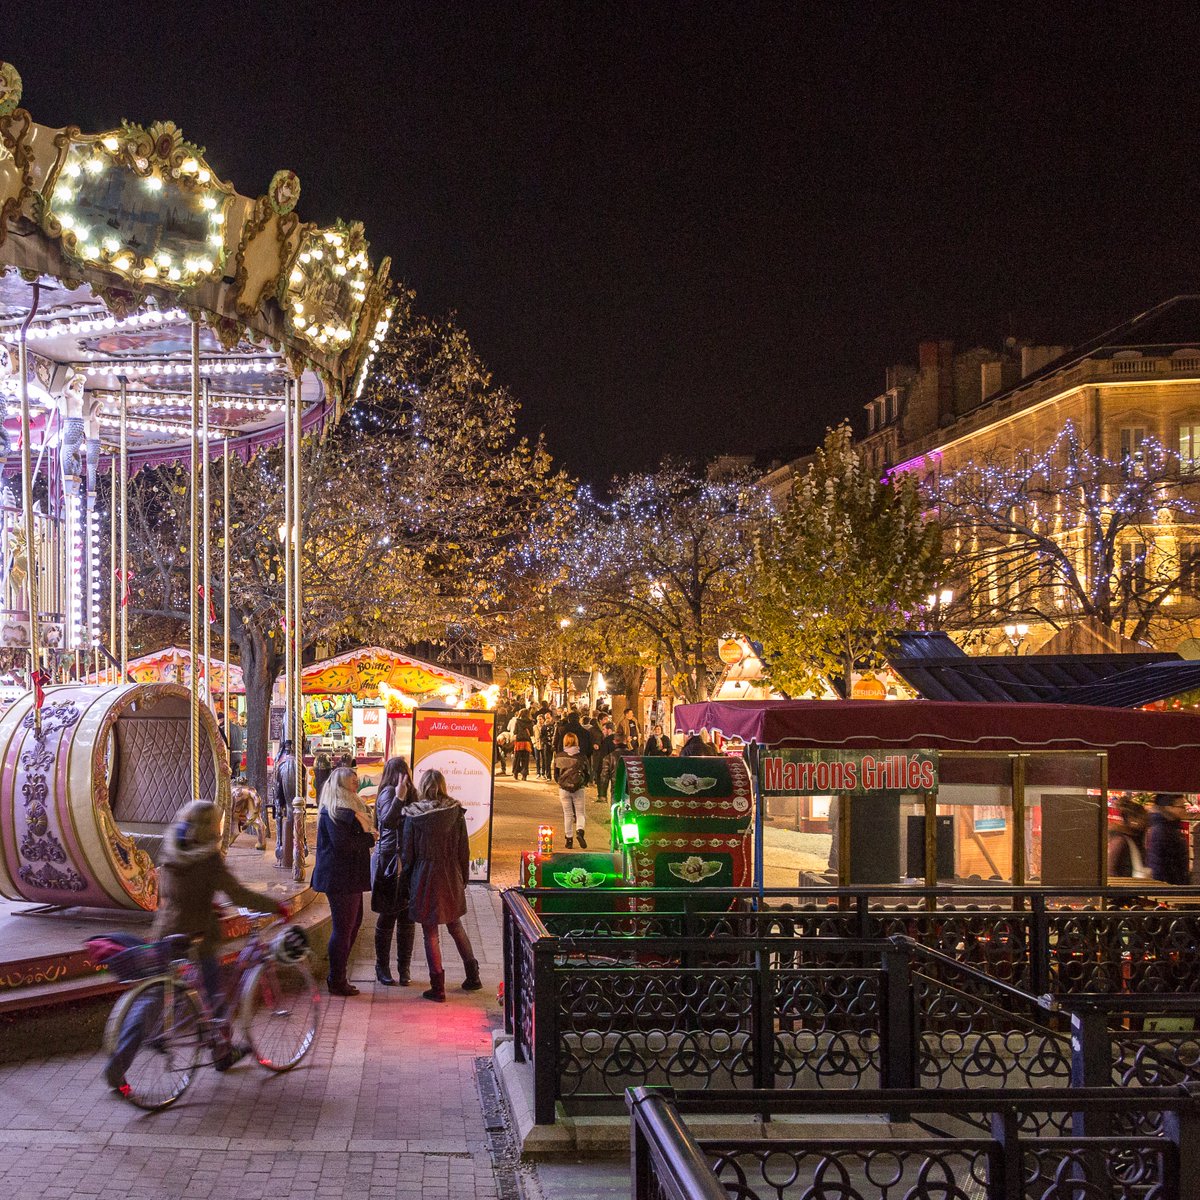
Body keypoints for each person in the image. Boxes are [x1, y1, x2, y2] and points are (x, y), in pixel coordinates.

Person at [104, 800, 287, 1093]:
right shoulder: (209, 858)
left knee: (154, 995)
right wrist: (276, 906)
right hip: (198, 939)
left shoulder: (171, 849)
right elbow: (238, 894)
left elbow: (168, 892)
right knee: (215, 996)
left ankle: (120, 1060)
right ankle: (222, 1052)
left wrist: (200, 901)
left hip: (166, 932)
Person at [403, 770, 482, 1002]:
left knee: (430, 932)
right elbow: (463, 849)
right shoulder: (455, 812)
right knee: (455, 925)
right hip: (450, 873)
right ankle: (472, 975)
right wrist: (463, 878)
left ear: (422, 787)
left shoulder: (413, 816)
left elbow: (408, 854)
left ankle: (438, 987)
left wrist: (406, 882)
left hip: (425, 875)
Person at [312, 766, 375, 996]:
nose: (356, 785)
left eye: (357, 781)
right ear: (341, 786)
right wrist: (369, 839)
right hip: (339, 877)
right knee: (343, 927)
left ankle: (338, 973)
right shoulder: (335, 811)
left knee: (354, 922)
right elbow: (343, 845)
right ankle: (336, 978)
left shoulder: (350, 806)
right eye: (352, 782)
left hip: (349, 876)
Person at [372, 756, 417, 985]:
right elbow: (387, 822)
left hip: (406, 860)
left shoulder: (411, 794)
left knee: (407, 918)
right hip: (390, 860)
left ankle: (404, 968)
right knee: (388, 914)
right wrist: (399, 797)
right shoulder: (389, 793)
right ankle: (382, 967)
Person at [271, 740, 306, 866]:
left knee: (279, 804)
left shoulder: (280, 762)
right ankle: (303, 843)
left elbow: (277, 792)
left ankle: (280, 843)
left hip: (281, 771)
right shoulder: (298, 764)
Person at [554, 732, 590, 849]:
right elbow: (587, 773)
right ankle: (580, 831)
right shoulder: (582, 757)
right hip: (578, 788)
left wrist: (561, 783)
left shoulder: (559, 756)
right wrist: (583, 783)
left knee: (567, 814)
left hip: (564, 788)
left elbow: (555, 774)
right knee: (580, 813)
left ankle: (569, 839)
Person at [1146, 793, 1190, 885]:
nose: (1184, 810)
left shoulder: (1171, 827)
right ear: (1168, 807)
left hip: (1174, 886)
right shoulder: (1161, 830)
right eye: (1181, 806)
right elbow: (1157, 865)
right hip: (1168, 889)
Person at [1108, 798, 1149, 879]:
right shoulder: (1121, 840)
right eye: (1141, 818)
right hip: (1124, 886)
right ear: (1131, 819)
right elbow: (1110, 870)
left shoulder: (1136, 837)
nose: (1145, 822)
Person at [598, 731, 628, 802]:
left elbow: (604, 776)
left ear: (614, 742)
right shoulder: (633, 756)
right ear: (625, 741)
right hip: (630, 789)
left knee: (616, 810)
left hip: (616, 788)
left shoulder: (609, 757)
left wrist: (603, 794)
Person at [512, 708, 534, 781]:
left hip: (519, 742)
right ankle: (524, 774)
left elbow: (515, 732)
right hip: (526, 742)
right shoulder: (530, 722)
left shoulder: (517, 721)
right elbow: (531, 733)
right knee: (525, 759)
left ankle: (515, 773)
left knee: (517, 758)